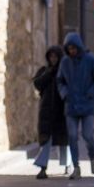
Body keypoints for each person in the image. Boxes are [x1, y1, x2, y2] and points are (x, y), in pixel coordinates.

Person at [56, 32, 94, 179]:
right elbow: (60, 81)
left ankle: (92, 158)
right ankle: (76, 167)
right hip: (71, 105)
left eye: (74, 48)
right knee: (72, 136)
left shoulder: (90, 60)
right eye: (69, 48)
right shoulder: (65, 62)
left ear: (79, 47)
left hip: (87, 105)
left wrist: (91, 92)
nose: (72, 51)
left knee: (87, 135)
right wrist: (65, 94)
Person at [32, 46, 68, 179]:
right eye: (51, 56)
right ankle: (42, 167)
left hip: (61, 111)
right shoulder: (44, 71)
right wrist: (49, 73)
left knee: (64, 141)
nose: (53, 59)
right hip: (46, 110)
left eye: (55, 57)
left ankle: (67, 165)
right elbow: (37, 83)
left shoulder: (64, 71)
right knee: (45, 140)